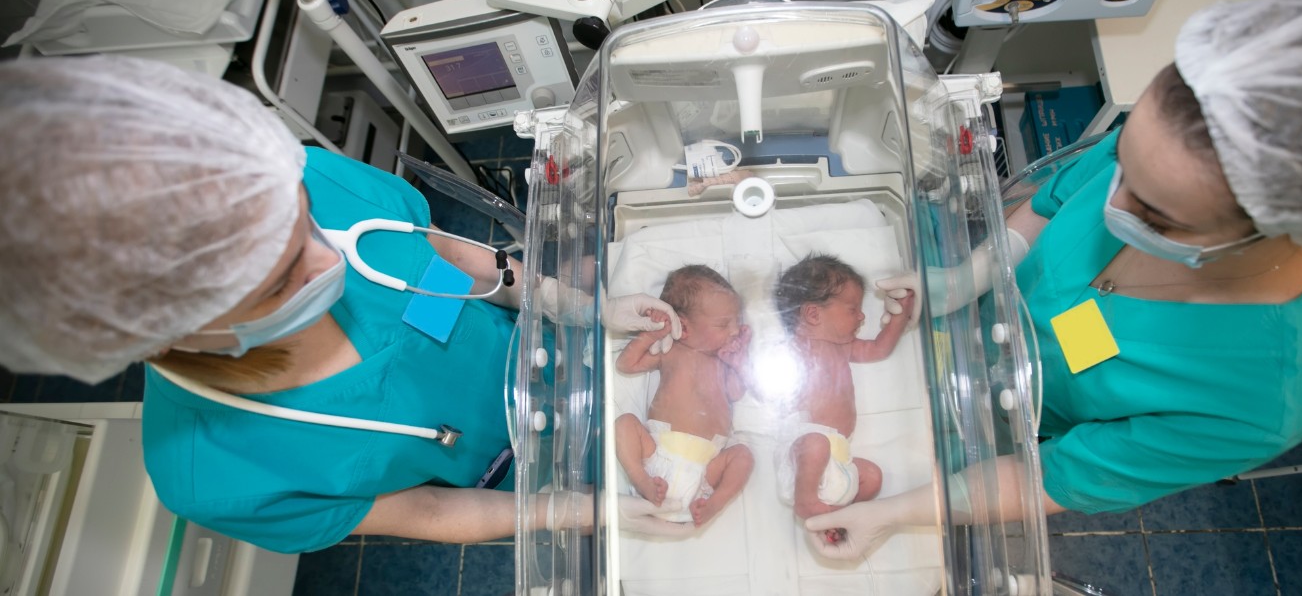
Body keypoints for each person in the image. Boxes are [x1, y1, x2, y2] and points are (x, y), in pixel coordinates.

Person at [808, 0, 1302, 558]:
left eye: (1155, 212)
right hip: (975, 336)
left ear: (1276, 228)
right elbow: (1053, 205)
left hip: (1016, 424)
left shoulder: (1263, 398)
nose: (1114, 202)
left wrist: (892, 515)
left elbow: (1051, 477)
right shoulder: (1174, 139)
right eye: (1123, 160)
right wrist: (969, 277)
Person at [0, 55, 686, 553]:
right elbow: (421, 511)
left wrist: (567, 303)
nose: (332, 258)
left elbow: (445, 257)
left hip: (544, 351)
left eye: (300, 219)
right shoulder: (211, 474)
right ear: (166, 336)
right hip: (505, 478)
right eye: (278, 281)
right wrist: (573, 511)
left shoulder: (317, 181)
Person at [773, 254, 914, 520]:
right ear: (813, 314)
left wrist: (901, 316)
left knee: (872, 477)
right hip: (803, 451)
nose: (862, 316)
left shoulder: (844, 347)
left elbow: (879, 349)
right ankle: (806, 502)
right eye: (852, 310)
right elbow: (767, 382)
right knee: (816, 444)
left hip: (839, 457)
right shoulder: (791, 348)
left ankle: (836, 515)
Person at [614, 264, 755, 526]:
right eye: (724, 324)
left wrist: (739, 361)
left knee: (743, 456)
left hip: (707, 468)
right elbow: (626, 365)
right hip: (658, 455)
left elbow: (736, 392)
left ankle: (716, 501)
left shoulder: (722, 361)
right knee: (624, 424)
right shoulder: (671, 351)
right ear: (684, 328)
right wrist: (651, 334)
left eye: (738, 321)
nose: (735, 331)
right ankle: (639, 478)